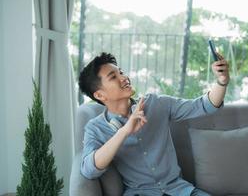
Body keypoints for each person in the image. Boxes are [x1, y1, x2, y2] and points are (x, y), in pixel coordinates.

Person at [78, 52, 230, 196]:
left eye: (121, 72)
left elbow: (204, 106)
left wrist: (221, 82)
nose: (124, 78)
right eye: (113, 77)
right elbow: (88, 170)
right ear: (99, 95)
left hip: (179, 190)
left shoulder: (156, 104)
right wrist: (124, 132)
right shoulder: (96, 128)